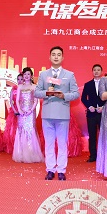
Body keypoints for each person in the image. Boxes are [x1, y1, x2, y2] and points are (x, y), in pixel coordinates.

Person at [34, 46, 79, 180]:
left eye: (59, 54)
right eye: (53, 54)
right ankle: (50, 169)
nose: (56, 57)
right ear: (49, 57)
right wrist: (47, 92)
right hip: (47, 113)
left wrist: (63, 95)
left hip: (62, 114)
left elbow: (76, 93)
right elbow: (36, 92)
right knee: (49, 143)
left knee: (62, 143)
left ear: (62, 58)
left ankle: (61, 170)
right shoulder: (43, 75)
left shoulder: (69, 75)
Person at [13, 68, 44, 163]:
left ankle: (31, 154)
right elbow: (17, 100)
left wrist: (31, 110)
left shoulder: (34, 86)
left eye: (28, 74)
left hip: (30, 112)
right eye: (25, 74)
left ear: (31, 76)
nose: (26, 76)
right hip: (22, 112)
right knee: (21, 130)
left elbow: (36, 101)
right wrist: (20, 110)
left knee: (30, 130)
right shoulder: (20, 86)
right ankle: (21, 153)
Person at [81, 63, 105, 162]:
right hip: (91, 113)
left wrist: (103, 107)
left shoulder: (105, 83)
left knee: (104, 135)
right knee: (92, 135)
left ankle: (104, 155)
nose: (96, 71)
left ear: (101, 72)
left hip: (103, 113)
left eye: (98, 70)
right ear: (92, 72)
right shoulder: (88, 84)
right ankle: (93, 155)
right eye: (94, 70)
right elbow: (83, 98)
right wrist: (89, 106)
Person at [1, 80, 20, 153]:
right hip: (14, 110)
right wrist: (15, 110)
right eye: (18, 79)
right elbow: (11, 101)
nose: (20, 81)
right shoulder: (13, 89)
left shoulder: (24, 89)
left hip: (22, 109)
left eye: (21, 79)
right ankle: (12, 146)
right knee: (12, 127)